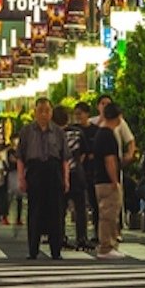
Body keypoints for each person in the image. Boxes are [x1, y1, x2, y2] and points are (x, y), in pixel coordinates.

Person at [17, 97, 70, 260]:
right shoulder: (26, 131)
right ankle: (33, 250)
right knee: (35, 211)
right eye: (40, 110)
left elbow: (65, 159)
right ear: (35, 112)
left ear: (51, 112)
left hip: (54, 171)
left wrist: (66, 179)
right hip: (35, 171)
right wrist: (21, 178)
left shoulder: (59, 132)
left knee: (56, 212)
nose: (44, 114)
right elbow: (20, 157)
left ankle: (56, 250)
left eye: (47, 111)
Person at [93, 103, 125, 260]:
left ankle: (109, 244)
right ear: (118, 117)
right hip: (107, 181)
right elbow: (110, 160)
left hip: (100, 180)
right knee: (109, 215)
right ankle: (106, 246)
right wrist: (114, 180)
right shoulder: (108, 135)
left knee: (108, 214)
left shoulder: (100, 133)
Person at [61, 103, 91, 249]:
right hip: (77, 173)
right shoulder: (79, 133)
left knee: (61, 207)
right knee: (80, 208)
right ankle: (82, 238)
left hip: (61, 174)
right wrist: (77, 163)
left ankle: (60, 236)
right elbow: (85, 152)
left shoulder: (57, 133)